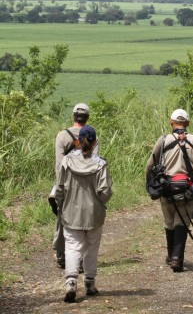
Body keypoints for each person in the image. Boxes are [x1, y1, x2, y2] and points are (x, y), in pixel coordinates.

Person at [146, 108, 193, 273]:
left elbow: (150, 165)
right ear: (187, 123)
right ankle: (177, 258)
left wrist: (150, 186)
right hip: (188, 189)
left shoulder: (163, 140)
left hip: (167, 189)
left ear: (171, 122)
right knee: (183, 222)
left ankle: (171, 255)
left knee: (169, 222)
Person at [55, 125, 112, 303]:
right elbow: (106, 191)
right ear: (95, 142)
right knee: (91, 247)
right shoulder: (100, 164)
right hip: (94, 214)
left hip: (71, 212)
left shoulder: (67, 162)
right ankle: (89, 283)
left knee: (72, 246)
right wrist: (99, 203)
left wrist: (60, 204)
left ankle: (71, 282)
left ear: (77, 142)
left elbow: (60, 188)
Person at [50, 103, 99, 269]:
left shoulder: (62, 136)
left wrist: (59, 187)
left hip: (65, 182)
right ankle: (82, 259)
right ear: (87, 118)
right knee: (85, 221)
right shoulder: (93, 136)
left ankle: (62, 255)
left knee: (62, 218)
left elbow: (58, 165)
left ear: (73, 116)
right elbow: (95, 162)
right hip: (87, 185)